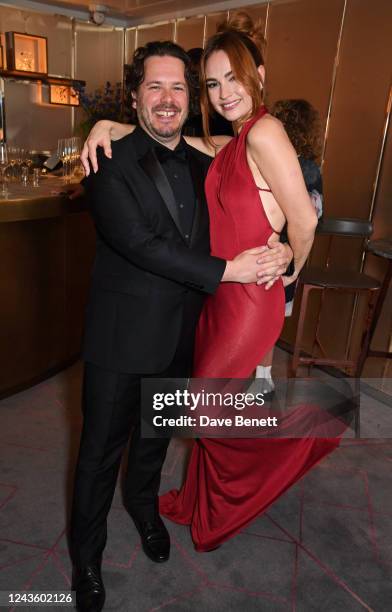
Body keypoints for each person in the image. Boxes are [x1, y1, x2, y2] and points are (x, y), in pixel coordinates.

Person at [81, 14, 337, 556]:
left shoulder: (262, 132)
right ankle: (129, 536)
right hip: (183, 311)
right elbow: (178, 153)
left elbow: (305, 218)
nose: (221, 93)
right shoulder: (228, 141)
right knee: (132, 437)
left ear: (259, 77)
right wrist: (109, 128)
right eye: (213, 83)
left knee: (192, 420)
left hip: (236, 301)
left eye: (232, 79)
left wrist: (289, 264)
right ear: (136, 96)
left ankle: (285, 447)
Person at [71, 39, 291, 612]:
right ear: (135, 95)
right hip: (120, 340)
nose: (167, 99)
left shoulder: (210, 161)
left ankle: (145, 513)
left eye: (178, 87)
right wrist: (228, 270)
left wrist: (283, 250)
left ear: (191, 97)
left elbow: (262, 195)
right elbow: (140, 244)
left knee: (153, 444)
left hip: (184, 337)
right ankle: (86, 559)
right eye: (154, 87)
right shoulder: (106, 161)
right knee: (98, 455)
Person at [255, 98, 324, 391]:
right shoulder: (308, 167)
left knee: (257, 320)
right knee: (270, 321)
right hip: (285, 254)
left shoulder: (265, 158)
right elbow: (315, 214)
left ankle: (257, 379)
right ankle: (262, 379)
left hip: (262, 250)